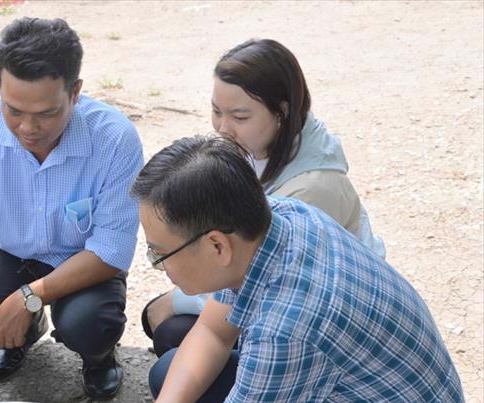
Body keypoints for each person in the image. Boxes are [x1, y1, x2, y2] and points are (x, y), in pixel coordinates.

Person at [5, 136, 475, 403]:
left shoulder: (287, 327)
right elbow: (211, 330)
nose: (158, 264)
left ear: (216, 245)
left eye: (158, 252)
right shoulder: (281, 219)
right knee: (172, 376)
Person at [0, 17, 144, 400]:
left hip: (84, 262)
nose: (27, 128)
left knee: (89, 326)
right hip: (10, 254)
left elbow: (111, 249)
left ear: (75, 93)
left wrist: (29, 297)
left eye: (46, 113)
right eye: (14, 110)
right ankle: (21, 333)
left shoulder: (114, 139)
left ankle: (99, 355)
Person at [143, 38, 386, 356]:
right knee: (171, 331)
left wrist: (174, 300)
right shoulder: (262, 146)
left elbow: (257, 277)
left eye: (239, 117)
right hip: (268, 296)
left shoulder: (310, 191)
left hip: (324, 335)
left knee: (172, 335)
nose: (223, 128)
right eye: (216, 111)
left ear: (281, 112)